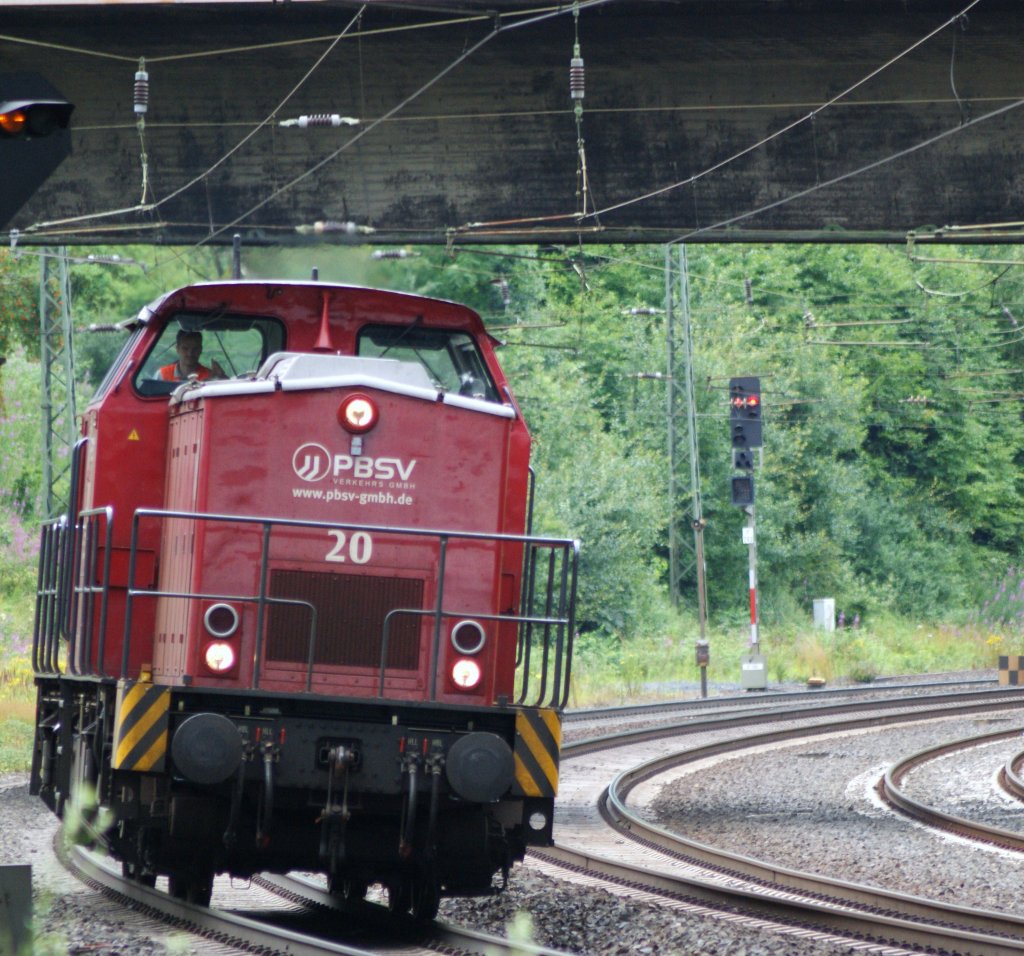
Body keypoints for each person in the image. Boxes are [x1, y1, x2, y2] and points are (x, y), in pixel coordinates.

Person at [158, 330, 225, 381]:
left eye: (195, 349)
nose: (190, 353)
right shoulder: (162, 374)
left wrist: (222, 377)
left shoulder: (210, 375)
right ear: (177, 349)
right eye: (185, 348)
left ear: (200, 350)